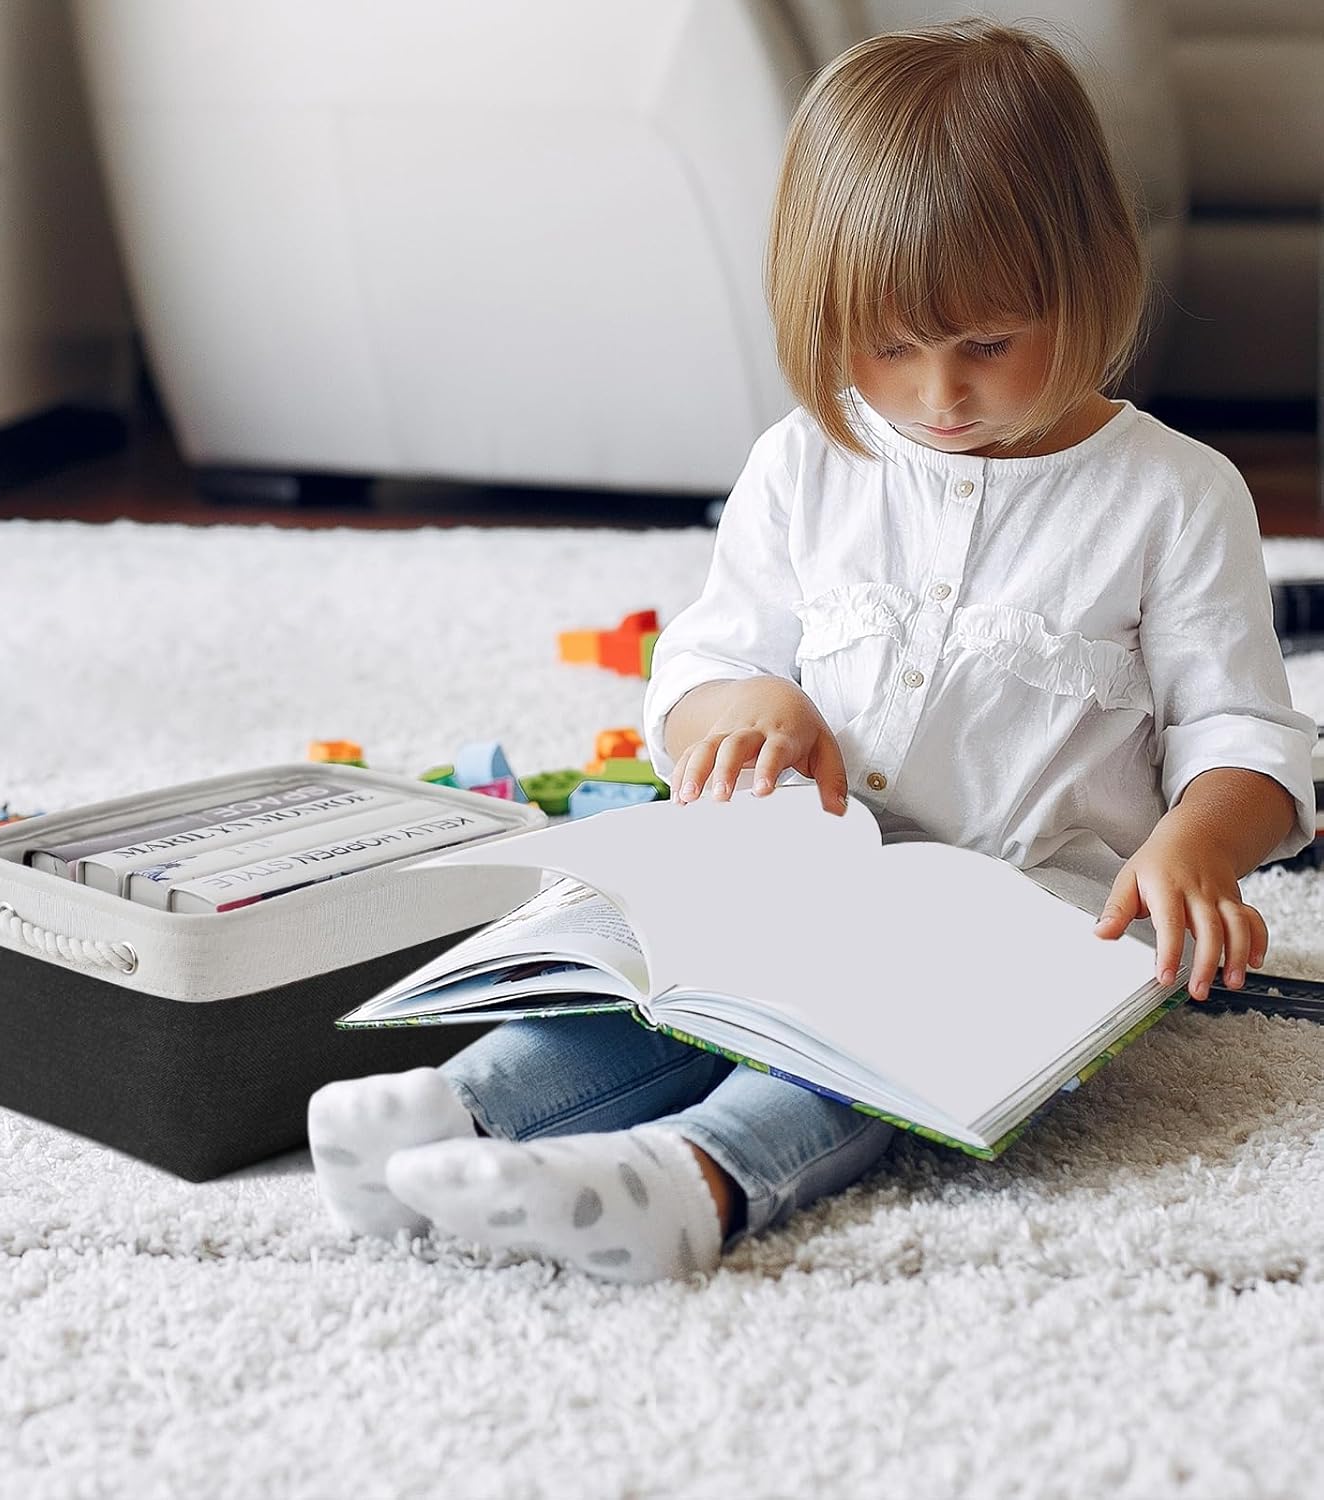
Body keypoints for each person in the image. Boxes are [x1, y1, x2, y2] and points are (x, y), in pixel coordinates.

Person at [309, 19, 1317, 1285]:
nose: (939, 394)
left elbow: (1250, 739)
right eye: (890, 347)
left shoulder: (1173, 496)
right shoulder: (805, 463)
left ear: (1090, 276)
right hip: (794, 872)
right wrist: (745, 702)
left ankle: (697, 1180)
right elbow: (699, 670)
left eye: (990, 344)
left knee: (884, 1039)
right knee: (659, 983)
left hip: (1031, 914)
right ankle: (460, 1110)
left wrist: (1196, 843)